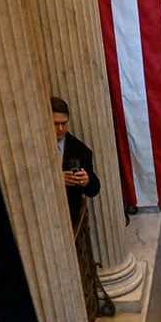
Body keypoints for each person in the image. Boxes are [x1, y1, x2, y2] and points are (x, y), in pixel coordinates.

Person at [52, 96, 101, 230]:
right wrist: (56, 179)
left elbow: (94, 188)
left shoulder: (80, 150)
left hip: (68, 217)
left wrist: (86, 181)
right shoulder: (34, 148)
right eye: (56, 124)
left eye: (64, 123)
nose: (61, 128)